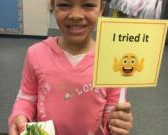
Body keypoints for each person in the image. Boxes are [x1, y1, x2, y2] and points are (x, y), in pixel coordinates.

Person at [8, 0, 133, 135]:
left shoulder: (113, 62)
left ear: (101, 9)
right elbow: (27, 97)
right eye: (64, 5)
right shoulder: (36, 53)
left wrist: (116, 124)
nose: (75, 15)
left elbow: (112, 111)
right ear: (53, 7)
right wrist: (19, 115)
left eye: (88, 5)